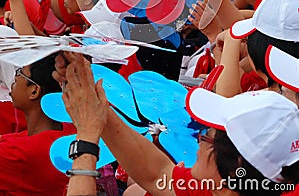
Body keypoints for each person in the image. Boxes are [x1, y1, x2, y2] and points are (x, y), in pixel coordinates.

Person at [55, 53, 299, 196]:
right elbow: (156, 172)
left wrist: (86, 138)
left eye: (207, 135)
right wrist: (99, 111)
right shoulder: (227, 186)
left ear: (236, 166)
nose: (198, 138)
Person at [0, 54, 75, 195]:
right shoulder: (70, 130)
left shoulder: (17, 154)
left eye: (20, 72)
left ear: (34, 90)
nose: (15, 78)